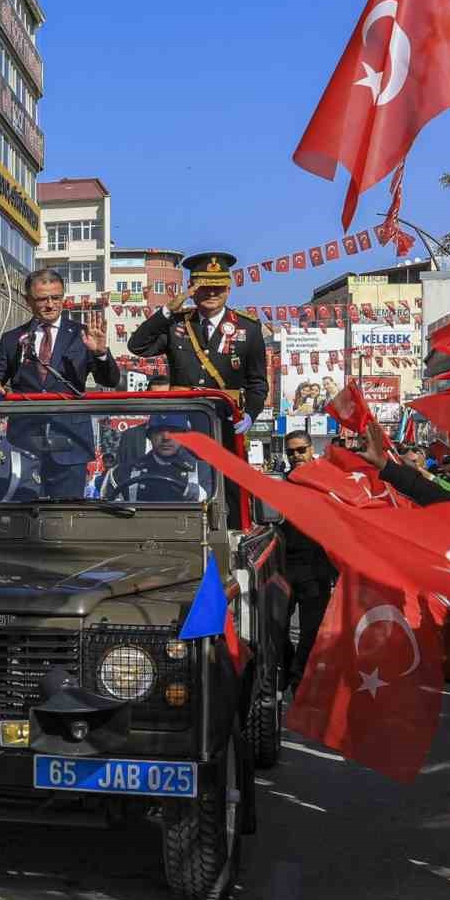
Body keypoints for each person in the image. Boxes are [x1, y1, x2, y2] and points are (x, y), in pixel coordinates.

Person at [0, 268, 119, 497]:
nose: (50, 305)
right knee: (22, 516)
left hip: (70, 443)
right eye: (42, 299)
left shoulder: (82, 334)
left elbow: (110, 380)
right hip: (25, 443)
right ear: (28, 301)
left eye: (56, 298)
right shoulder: (13, 339)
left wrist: (101, 353)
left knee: (66, 518)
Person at [129, 252, 268, 428]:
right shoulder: (176, 323)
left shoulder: (248, 328)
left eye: (218, 287)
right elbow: (138, 346)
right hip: (182, 423)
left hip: (225, 422)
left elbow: (257, 383)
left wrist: (250, 414)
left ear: (228, 289)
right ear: (191, 289)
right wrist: (167, 311)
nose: (211, 293)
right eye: (204, 287)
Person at [280, 430, 337, 691]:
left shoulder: (328, 484)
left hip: (317, 568)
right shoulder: (281, 484)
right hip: (285, 567)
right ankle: (291, 668)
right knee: (277, 627)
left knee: (311, 631)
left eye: (301, 450)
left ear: (311, 449)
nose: (296, 455)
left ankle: (298, 678)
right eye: (291, 451)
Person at [100, 413, 210, 503]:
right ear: (149, 436)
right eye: (159, 430)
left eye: (173, 431)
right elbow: (106, 513)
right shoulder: (122, 473)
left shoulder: (203, 472)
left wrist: (202, 496)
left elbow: (219, 514)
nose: (166, 438)